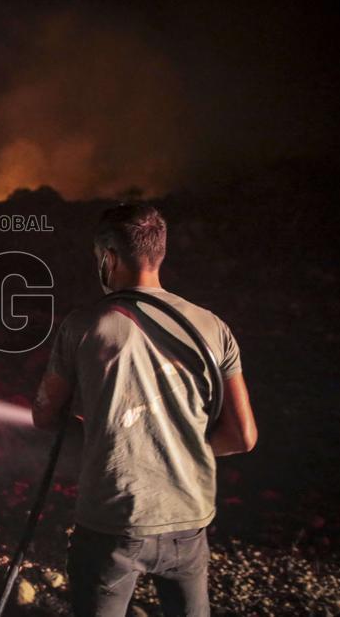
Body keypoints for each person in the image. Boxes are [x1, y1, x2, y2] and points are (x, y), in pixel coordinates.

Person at [32, 203, 258, 616]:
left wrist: (104, 436)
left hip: (112, 522)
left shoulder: (85, 325)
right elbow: (243, 436)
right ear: (160, 253)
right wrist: (180, 453)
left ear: (109, 257)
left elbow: (46, 416)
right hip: (188, 519)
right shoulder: (212, 326)